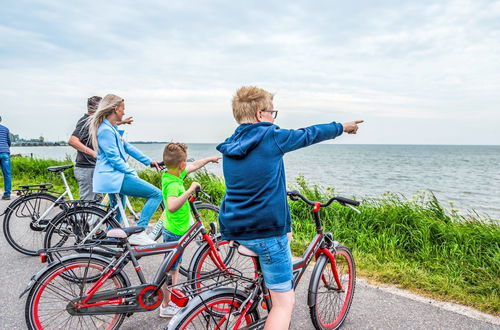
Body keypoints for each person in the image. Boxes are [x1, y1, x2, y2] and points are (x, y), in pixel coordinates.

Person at [217, 86, 363, 329]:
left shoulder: (231, 144)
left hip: (235, 226)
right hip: (264, 230)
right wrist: (343, 126)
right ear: (259, 114)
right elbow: (308, 134)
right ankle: (274, 301)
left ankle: (262, 294)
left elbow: (252, 177)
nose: (274, 118)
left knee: (285, 235)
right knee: (285, 304)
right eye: (273, 113)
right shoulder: (271, 137)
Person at [87, 94, 162, 245]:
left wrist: (149, 162)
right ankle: (139, 232)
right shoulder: (105, 131)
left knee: (116, 212)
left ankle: (111, 242)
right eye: (123, 109)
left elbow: (128, 147)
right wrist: (131, 172)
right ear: (115, 109)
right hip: (114, 177)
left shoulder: (112, 128)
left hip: (114, 176)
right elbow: (114, 158)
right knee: (156, 194)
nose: (124, 112)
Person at [159, 142, 220, 318]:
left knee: (174, 267)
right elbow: (171, 206)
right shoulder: (173, 185)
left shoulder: (170, 175)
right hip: (175, 232)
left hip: (176, 229)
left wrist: (209, 159)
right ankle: (166, 305)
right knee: (170, 269)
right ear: (181, 165)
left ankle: (171, 299)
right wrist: (190, 190)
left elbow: (193, 165)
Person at [68, 96, 133, 201]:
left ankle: (97, 217)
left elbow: (107, 123)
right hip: (86, 168)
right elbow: (72, 141)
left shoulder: (95, 122)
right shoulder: (86, 121)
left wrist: (122, 122)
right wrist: (93, 153)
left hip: (94, 167)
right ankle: (82, 217)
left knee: (98, 203)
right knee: (87, 203)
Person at [0, 116, 12, 200]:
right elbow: (9, 141)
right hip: (5, 152)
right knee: (7, 174)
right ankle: (7, 194)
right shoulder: (6, 129)